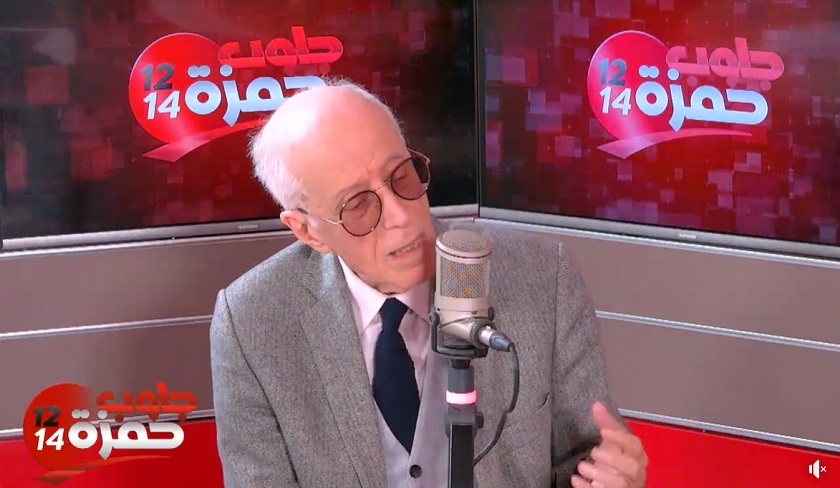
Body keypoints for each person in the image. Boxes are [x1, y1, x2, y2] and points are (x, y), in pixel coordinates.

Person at [209, 79, 648, 488]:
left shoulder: (542, 277)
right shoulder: (251, 323)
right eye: (358, 205)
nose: (402, 216)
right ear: (308, 231)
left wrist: (613, 478)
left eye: (401, 176)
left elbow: (587, 458)